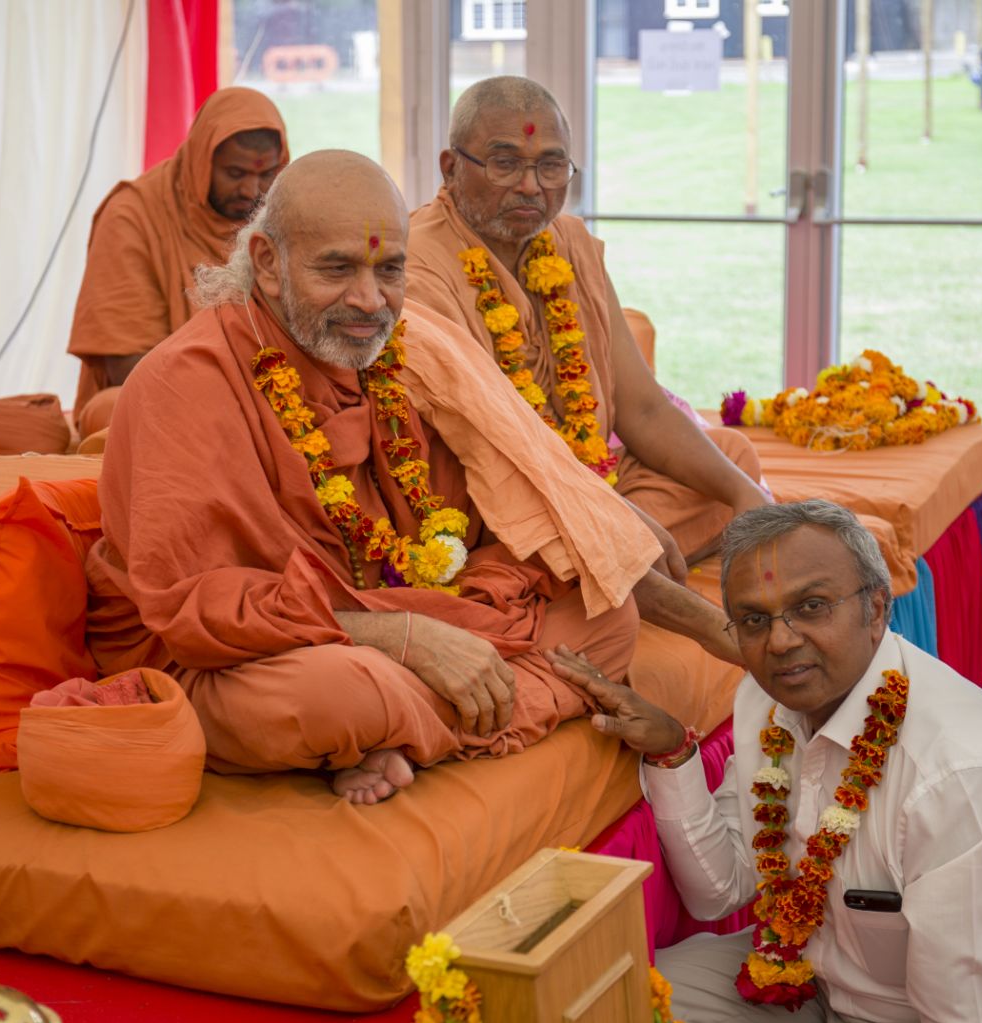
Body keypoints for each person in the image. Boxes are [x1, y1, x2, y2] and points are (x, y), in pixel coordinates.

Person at [86, 150, 654, 806]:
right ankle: (422, 717)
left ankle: (404, 730)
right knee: (336, 697)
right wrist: (406, 638)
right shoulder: (184, 382)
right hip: (243, 656)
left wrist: (443, 624)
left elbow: (456, 540)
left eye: (389, 270)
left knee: (607, 617)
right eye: (337, 268)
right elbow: (194, 610)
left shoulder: (398, 361)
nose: (369, 299)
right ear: (267, 262)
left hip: (392, 610)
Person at [549, 500, 982, 1023]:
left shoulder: (960, 768)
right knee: (627, 1004)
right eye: (754, 619)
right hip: (831, 977)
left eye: (811, 607)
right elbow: (720, 891)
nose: (781, 641)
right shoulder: (766, 699)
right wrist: (672, 754)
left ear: (877, 608)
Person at [406, 76, 768, 579]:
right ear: (450, 168)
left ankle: (616, 566)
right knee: (556, 538)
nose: (531, 185)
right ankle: (596, 567)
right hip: (507, 503)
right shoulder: (418, 266)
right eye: (505, 162)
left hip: (594, 480)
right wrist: (614, 517)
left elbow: (641, 407)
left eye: (551, 165)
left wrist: (745, 495)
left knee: (732, 465)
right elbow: (499, 450)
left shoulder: (569, 242)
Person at [67, 87, 288, 420]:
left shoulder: (283, 216)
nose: (251, 191)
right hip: (172, 400)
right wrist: (235, 397)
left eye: (266, 174)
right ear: (202, 161)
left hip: (275, 396)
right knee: (108, 408)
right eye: (235, 173)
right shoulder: (133, 215)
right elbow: (127, 364)